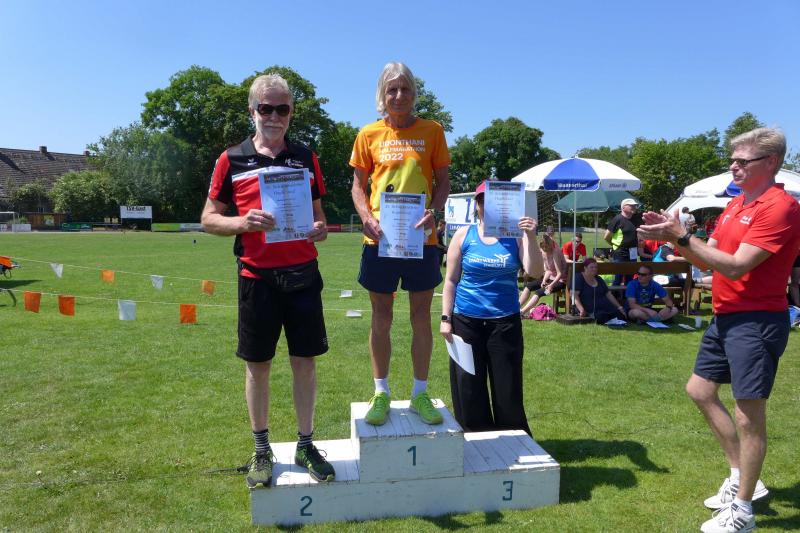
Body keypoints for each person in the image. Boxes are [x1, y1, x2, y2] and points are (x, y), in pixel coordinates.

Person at [638, 127, 800, 533]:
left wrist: (682, 235)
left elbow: (737, 265)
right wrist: (673, 238)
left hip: (756, 321)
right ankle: (742, 478)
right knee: (700, 390)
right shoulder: (736, 204)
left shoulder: (779, 207)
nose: (733, 167)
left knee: (749, 417)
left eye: (742, 161)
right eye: (732, 160)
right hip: (726, 316)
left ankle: (742, 511)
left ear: (770, 162)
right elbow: (710, 258)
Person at [201, 74, 334, 489]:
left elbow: (319, 217)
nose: (274, 116)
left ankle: (305, 444)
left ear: (291, 112)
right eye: (266, 108)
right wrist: (243, 222)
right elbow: (208, 218)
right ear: (252, 110)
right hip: (256, 278)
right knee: (258, 366)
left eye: (282, 108)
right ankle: (262, 449)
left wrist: (320, 228)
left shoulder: (306, 157)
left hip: (303, 276)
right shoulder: (231, 159)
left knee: (304, 364)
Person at [350, 62, 450, 426]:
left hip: (422, 239)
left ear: (413, 93)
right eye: (391, 89)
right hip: (380, 238)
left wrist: (434, 212)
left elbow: (443, 182)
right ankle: (381, 392)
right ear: (382, 94)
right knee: (382, 316)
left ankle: (420, 393)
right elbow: (357, 186)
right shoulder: (368, 134)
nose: (398, 95)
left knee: (421, 316)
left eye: (405, 88)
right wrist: (366, 217)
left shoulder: (433, 131)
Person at [440, 180, 543, 434]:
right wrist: (445, 318)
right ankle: (475, 438)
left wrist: (531, 236)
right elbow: (451, 280)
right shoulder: (463, 235)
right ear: (476, 206)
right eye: (482, 201)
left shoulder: (517, 237)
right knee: (468, 386)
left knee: (507, 387)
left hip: (504, 322)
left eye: (492, 201)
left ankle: (513, 438)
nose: (487, 206)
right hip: (466, 320)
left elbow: (534, 272)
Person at [520, 233, 566, 317]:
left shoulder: (555, 253)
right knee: (528, 286)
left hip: (560, 281)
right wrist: (544, 280)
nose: (544, 249)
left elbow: (559, 273)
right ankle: (516, 308)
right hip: (550, 278)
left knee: (539, 292)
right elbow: (548, 270)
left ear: (550, 245)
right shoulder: (543, 252)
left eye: (546, 247)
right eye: (543, 247)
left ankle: (522, 312)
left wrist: (551, 285)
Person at [573, 257, 626, 323]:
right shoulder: (579, 278)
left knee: (620, 316)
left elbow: (609, 294)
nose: (594, 269)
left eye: (596, 267)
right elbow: (574, 295)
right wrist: (581, 309)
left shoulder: (599, 279)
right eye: (591, 267)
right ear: (585, 268)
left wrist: (619, 307)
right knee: (601, 317)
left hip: (605, 306)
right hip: (592, 309)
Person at [604, 198, 640, 285]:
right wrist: (615, 245)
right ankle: (614, 293)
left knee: (630, 278)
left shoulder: (635, 219)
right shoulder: (617, 219)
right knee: (618, 277)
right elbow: (606, 237)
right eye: (631, 205)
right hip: (620, 253)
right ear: (623, 207)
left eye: (635, 205)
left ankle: (628, 293)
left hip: (633, 252)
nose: (634, 207)